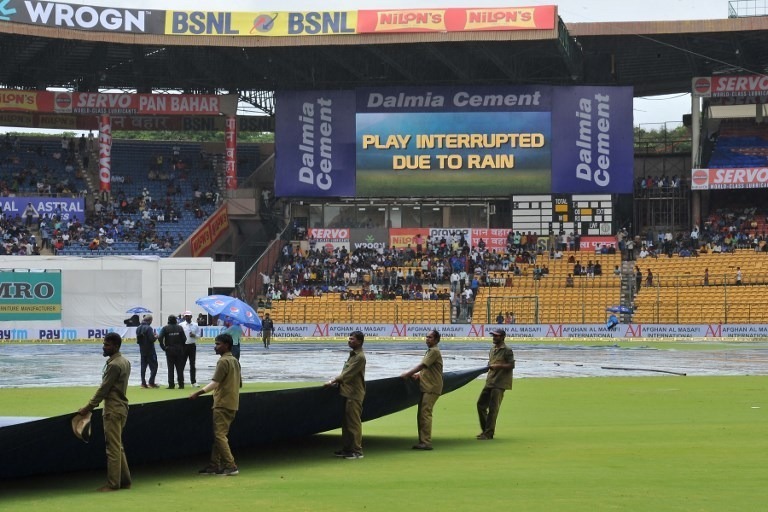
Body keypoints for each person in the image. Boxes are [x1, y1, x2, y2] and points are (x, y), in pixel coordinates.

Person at [77, 333, 131, 491]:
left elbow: (103, 389)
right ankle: (125, 481)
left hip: (112, 410)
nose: (103, 347)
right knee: (118, 445)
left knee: (112, 448)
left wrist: (88, 407)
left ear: (115, 346)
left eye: (107, 344)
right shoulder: (125, 361)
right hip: (122, 408)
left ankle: (113, 484)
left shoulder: (114, 365)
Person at [190, 333, 242, 476]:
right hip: (233, 402)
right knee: (220, 435)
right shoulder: (235, 361)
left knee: (219, 436)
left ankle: (231, 465)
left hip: (222, 403)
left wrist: (198, 393)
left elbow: (215, 383)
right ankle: (214, 465)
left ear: (226, 345)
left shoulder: (223, 362)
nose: (215, 347)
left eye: (218, 344)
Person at [325, 330, 366, 459]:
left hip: (354, 394)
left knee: (353, 423)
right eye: (349, 338)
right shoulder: (353, 355)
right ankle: (347, 448)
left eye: (352, 339)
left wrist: (333, 380)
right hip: (347, 392)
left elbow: (348, 374)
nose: (349, 341)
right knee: (346, 423)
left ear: (359, 341)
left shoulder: (360, 357)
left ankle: (357, 451)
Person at [400, 330, 443, 450]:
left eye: (430, 337)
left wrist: (408, 374)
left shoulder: (434, 351)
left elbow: (423, 365)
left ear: (436, 340)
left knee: (425, 414)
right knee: (422, 414)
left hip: (431, 387)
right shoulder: (431, 351)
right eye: (427, 337)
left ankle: (426, 442)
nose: (427, 339)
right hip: (428, 386)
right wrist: (419, 375)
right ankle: (423, 441)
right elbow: (428, 369)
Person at [476, 328, 515, 440]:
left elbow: (511, 365)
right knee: (480, 405)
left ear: (502, 337)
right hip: (490, 381)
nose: (494, 337)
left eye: (496, 336)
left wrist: (499, 366)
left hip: (500, 383)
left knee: (493, 408)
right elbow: (490, 363)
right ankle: (486, 430)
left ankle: (488, 433)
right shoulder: (492, 349)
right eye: (493, 335)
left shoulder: (507, 350)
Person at [158, 314, 187, 389]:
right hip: (179, 350)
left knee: (170, 368)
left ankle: (171, 384)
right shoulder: (180, 328)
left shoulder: (165, 328)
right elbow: (184, 339)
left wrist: (163, 347)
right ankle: (181, 384)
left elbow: (160, 338)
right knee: (180, 368)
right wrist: (181, 347)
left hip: (169, 350)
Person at [135, 314, 159, 388]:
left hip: (142, 350)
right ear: (150, 320)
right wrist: (156, 337)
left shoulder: (138, 328)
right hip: (150, 351)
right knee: (154, 367)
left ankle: (143, 383)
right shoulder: (149, 328)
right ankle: (151, 382)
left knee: (143, 367)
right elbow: (151, 339)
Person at [180, 311, 201, 387]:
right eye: (186, 316)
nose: (187, 317)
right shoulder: (181, 325)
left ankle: (193, 382)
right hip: (184, 346)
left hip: (192, 346)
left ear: (191, 316)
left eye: (188, 316)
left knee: (192, 364)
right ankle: (180, 380)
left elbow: (199, 336)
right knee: (182, 364)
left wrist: (194, 335)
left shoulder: (195, 325)